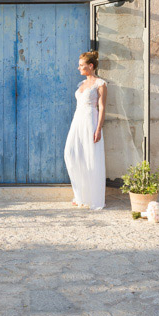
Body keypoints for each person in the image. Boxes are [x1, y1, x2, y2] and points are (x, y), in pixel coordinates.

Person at [64, 51, 107, 210]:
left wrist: (98, 129)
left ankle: (91, 197)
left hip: (90, 121)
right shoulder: (81, 84)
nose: (78, 68)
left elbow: (102, 108)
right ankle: (81, 193)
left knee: (90, 157)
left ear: (90, 66)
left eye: (81, 65)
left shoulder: (100, 84)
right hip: (77, 121)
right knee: (70, 153)